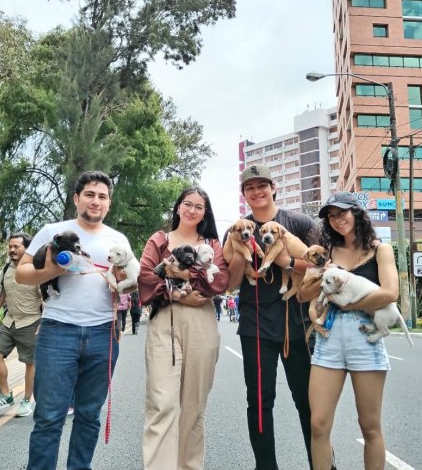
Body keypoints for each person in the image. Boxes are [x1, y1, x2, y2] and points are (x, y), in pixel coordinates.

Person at [16, 171, 132, 470]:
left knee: (89, 415)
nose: (96, 201)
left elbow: (130, 280)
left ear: (109, 203)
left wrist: (121, 281)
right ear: (76, 198)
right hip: (58, 332)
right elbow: (22, 274)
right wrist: (57, 270)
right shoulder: (53, 231)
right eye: (90, 195)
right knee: (49, 417)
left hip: (103, 334)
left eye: (102, 196)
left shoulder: (118, 239)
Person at [224, 164, 318, 470]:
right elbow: (231, 284)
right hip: (256, 325)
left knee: (309, 403)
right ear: (244, 195)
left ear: (273, 187)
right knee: (260, 403)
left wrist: (287, 261)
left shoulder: (300, 222)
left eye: (262, 185)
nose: (257, 191)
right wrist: (240, 256)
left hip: (298, 322)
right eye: (250, 188)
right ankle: (265, 466)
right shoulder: (239, 228)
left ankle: (322, 465)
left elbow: (323, 266)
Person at [299, 191, 399, 470]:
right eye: (331, 216)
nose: (336, 220)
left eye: (341, 212)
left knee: (369, 426)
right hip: (328, 339)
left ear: (356, 212)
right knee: (318, 423)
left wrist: (344, 301)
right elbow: (303, 295)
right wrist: (317, 276)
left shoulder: (381, 250)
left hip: (364, 337)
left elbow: (390, 293)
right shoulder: (326, 254)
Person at [139, 186, 229, 470]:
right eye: (187, 204)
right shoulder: (160, 239)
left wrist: (181, 273)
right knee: (161, 403)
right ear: (178, 207)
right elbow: (145, 276)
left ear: (205, 213)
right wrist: (177, 293)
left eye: (199, 207)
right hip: (165, 320)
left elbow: (220, 282)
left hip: (202, 322)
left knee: (194, 408)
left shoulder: (212, 244)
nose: (192, 210)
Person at [0, 232, 43, 418]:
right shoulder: (5, 269)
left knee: (30, 363)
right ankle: (5, 394)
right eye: (10, 246)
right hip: (10, 321)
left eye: (16, 246)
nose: (12, 250)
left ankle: (26, 400)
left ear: (27, 249)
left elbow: (45, 298)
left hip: (32, 322)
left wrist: (44, 322)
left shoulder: (36, 269)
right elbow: (0, 296)